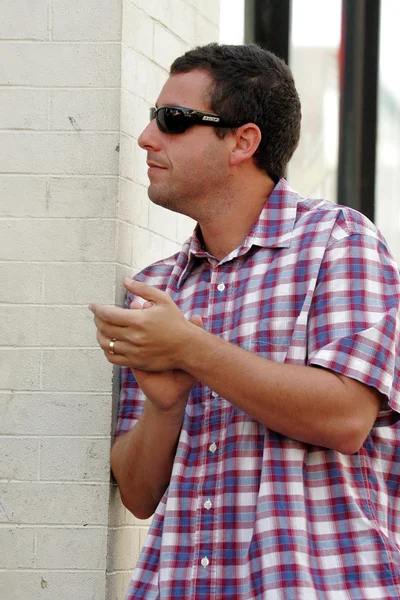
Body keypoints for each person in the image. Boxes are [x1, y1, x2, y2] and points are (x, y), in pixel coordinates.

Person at [90, 43, 400, 599]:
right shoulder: (157, 289)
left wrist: (190, 350)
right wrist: (166, 404)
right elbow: (137, 494)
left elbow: (348, 416)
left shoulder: (339, 242)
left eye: (173, 120)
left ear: (244, 141)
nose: (145, 136)